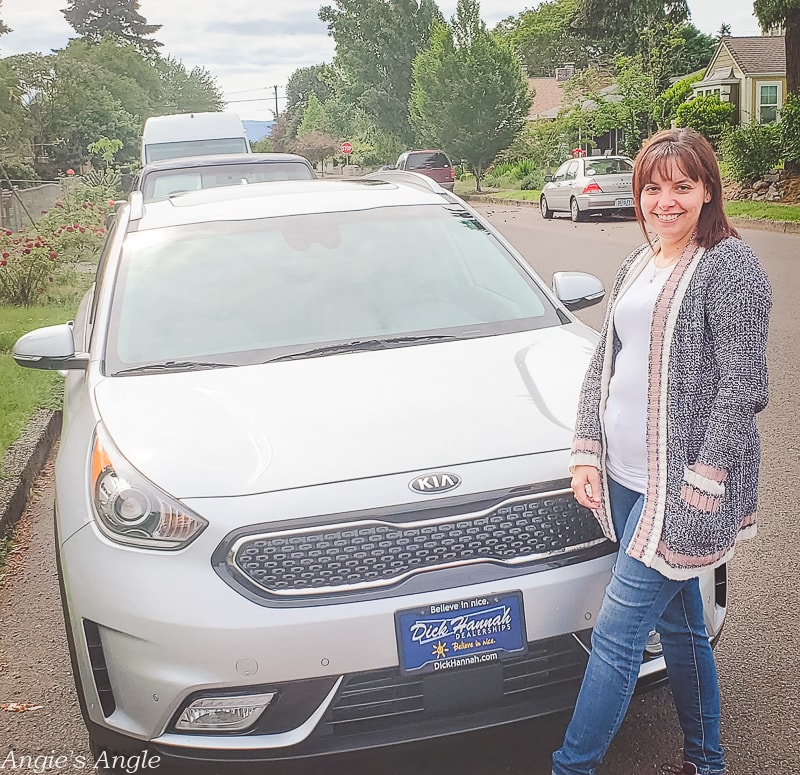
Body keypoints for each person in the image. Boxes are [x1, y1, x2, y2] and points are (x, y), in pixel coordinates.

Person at [551, 127, 772, 775]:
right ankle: (707, 762)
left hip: (678, 489)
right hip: (623, 475)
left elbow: (743, 387)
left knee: (616, 636)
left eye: (682, 185)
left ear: (707, 190)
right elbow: (604, 360)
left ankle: (573, 766)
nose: (665, 200)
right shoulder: (639, 261)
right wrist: (586, 450)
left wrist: (705, 480)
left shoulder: (730, 265)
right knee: (679, 624)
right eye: (653, 186)